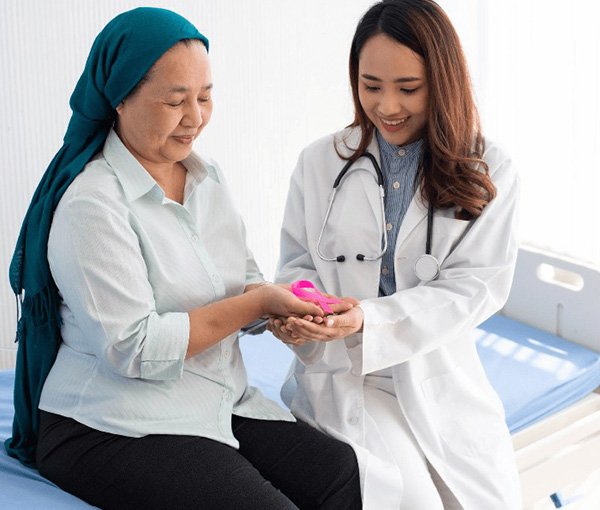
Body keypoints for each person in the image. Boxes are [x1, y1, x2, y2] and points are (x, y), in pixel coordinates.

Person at [6, 8, 362, 510]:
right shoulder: (92, 204)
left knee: (342, 472)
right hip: (109, 425)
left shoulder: (207, 178)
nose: (195, 117)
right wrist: (257, 303)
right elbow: (134, 349)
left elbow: (244, 281)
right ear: (120, 99)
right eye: (175, 101)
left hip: (214, 397)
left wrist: (287, 312)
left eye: (205, 96)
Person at [270, 0, 522, 508]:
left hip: (437, 371)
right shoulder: (320, 162)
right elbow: (297, 264)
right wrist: (302, 311)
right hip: (346, 375)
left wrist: (370, 317)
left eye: (408, 89)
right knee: (415, 501)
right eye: (371, 86)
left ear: (443, 81)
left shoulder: (487, 167)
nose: (387, 106)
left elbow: (476, 287)